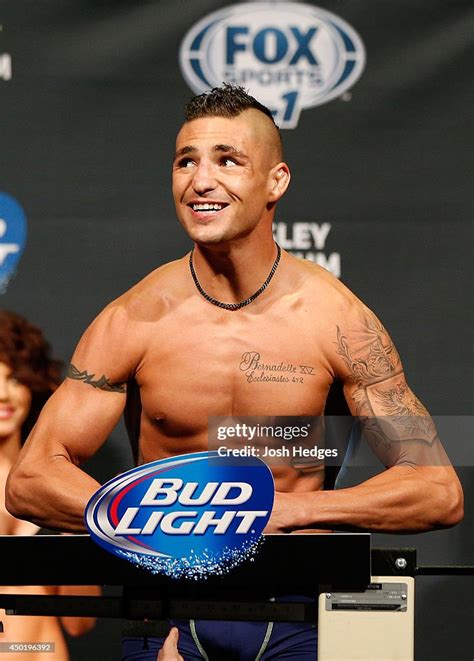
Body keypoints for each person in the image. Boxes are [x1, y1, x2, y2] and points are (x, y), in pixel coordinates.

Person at [6, 85, 463, 660]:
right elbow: (30, 482)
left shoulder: (337, 320)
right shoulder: (134, 318)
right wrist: (155, 521)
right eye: (185, 162)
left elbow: (436, 491)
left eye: (228, 160)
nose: (201, 181)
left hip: (296, 613)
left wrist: (291, 512)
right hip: (167, 612)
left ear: (276, 182)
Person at [0, 310, 100, 660]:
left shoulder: (55, 486)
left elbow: (80, 623)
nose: (3, 394)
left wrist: (71, 534)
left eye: (14, 378)